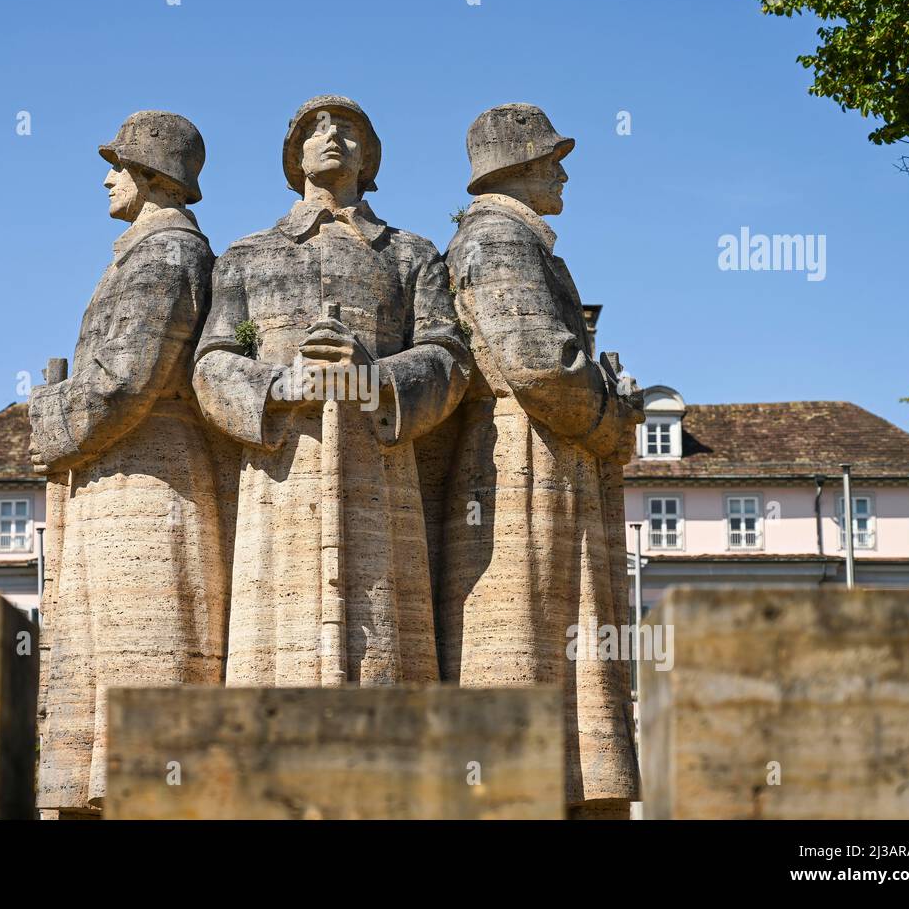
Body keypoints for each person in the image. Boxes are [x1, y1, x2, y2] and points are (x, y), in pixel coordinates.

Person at [192, 95, 468, 686]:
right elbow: (211, 361)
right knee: (271, 652)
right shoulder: (248, 253)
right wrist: (277, 387)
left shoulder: (412, 254)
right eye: (314, 130)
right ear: (294, 157)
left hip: (381, 465)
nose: (331, 136)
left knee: (388, 648)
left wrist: (377, 373)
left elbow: (448, 357)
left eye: (347, 129)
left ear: (369, 157)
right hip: (279, 471)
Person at [440, 103, 643, 818]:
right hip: (522, 455)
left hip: (547, 451)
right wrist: (615, 418)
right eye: (550, 157)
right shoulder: (499, 239)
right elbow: (540, 367)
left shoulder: (520, 240)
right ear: (515, 166)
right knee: (526, 631)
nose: (561, 170)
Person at [29, 110, 226, 815]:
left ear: (151, 175)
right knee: (103, 659)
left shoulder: (165, 255)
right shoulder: (139, 252)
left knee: (143, 654)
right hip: (117, 470)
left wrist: (43, 415)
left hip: (147, 476)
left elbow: (125, 380)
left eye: (119, 165)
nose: (109, 179)